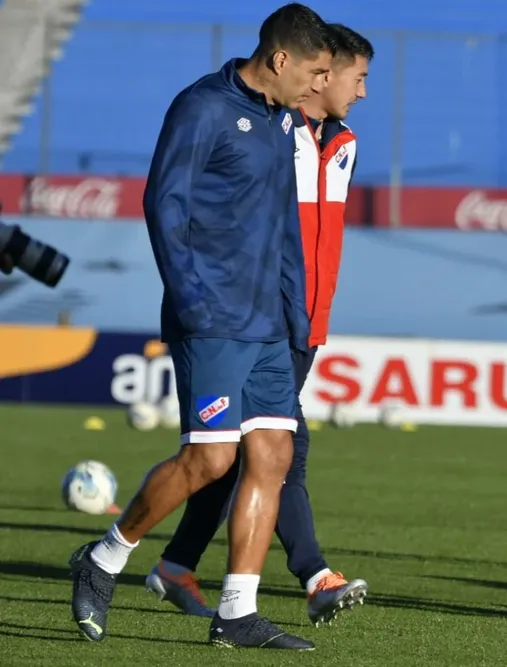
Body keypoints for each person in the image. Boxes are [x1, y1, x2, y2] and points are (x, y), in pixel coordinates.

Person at [68, 3, 333, 650]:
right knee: (210, 458)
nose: (319, 85)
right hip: (211, 318)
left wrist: (294, 309)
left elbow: (281, 226)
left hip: (269, 322)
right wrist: (191, 299)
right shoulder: (203, 107)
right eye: (316, 71)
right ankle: (104, 556)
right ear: (279, 60)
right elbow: (164, 203)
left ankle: (236, 611)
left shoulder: (282, 123)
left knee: (271, 455)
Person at [143, 23, 374, 628]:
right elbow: (180, 207)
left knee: (248, 454)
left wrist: (307, 313)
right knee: (269, 451)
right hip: (246, 313)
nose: (357, 90)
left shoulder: (344, 142)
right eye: (353, 77)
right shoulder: (269, 125)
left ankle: (175, 566)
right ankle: (314, 574)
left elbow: (309, 240)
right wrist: (201, 299)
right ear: (311, 71)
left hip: (299, 318)